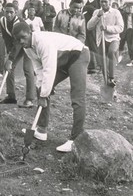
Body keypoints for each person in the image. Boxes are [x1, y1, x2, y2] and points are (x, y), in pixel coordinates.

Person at [11, 23, 90, 152]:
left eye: (23, 37)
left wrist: (44, 95)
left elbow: (49, 69)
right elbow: (39, 69)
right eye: (18, 39)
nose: (21, 41)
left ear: (30, 32)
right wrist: (42, 90)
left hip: (78, 55)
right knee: (41, 88)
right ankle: (41, 130)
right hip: (63, 60)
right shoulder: (27, 47)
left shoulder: (43, 42)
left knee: (77, 97)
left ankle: (75, 139)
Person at [0, 3, 35, 108]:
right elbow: (6, 38)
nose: (9, 14)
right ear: (4, 11)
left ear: (16, 12)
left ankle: (29, 99)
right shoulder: (2, 20)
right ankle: (11, 96)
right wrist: (9, 54)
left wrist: (11, 58)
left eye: (11, 12)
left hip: (28, 43)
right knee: (8, 68)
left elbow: (18, 42)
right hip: (17, 43)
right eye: (7, 12)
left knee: (27, 69)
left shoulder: (18, 22)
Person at [87, 0, 124, 88]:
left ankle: (111, 77)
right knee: (102, 61)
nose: (103, 4)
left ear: (109, 2)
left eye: (105, 2)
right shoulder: (96, 12)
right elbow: (89, 26)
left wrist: (107, 28)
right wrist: (97, 17)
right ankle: (107, 82)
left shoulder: (116, 12)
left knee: (111, 52)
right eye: (101, 2)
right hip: (101, 39)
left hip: (113, 38)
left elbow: (120, 27)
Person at [82, 0, 100, 74]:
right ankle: (91, 67)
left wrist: (87, 8)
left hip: (92, 27)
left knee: (94, 46)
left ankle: (100, 65)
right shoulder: (85, 0)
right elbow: (82, 9)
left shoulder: (96, 2)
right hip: (84, 26)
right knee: (87, 46)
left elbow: (95, 12)